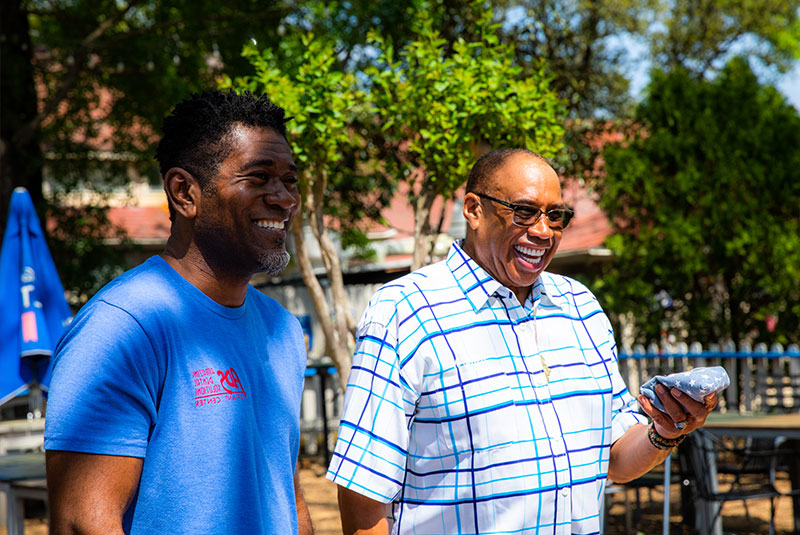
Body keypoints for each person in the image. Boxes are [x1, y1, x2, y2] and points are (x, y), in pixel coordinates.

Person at [327, 148, 717, 535]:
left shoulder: (580, 307)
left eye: (556, 216)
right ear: (473, 210)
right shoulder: (406, 310)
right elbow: (364, 492)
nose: (543, 231)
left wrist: (666, 429)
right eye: (525, 212)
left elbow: (614, 459)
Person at [44, 90, 313, 534]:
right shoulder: (124, 327)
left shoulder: (281, 330)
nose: (284, 198)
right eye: (259, 177)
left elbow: (284, 488)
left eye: (290, 180)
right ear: (185, 193)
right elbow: (82, 523)